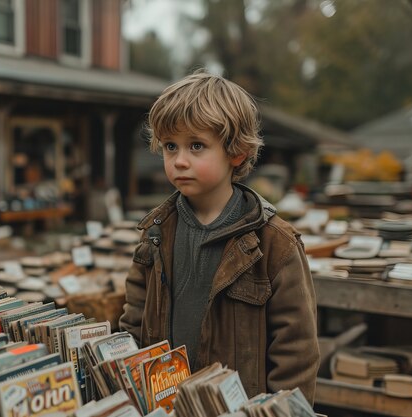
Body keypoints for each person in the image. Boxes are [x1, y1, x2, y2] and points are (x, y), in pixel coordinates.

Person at [118, 71, 320, 403]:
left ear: (236, 153)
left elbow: (296, 354)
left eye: (196, 146)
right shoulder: (156, 231)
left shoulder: (275, 245)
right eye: (171, 146)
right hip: (164, 405)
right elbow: (134, 321)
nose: (179, 161)